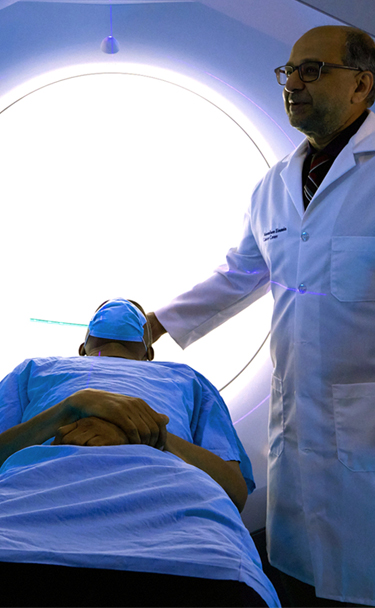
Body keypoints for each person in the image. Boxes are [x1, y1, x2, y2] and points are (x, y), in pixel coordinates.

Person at [147, 25, 375, 608]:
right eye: (289, 71)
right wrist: (154, 323)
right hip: (298, 414)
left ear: (362, 85)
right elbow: (242, 274)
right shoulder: (274, 184)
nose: (293, 83)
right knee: (300, 580)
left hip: (366, 413)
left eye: (313, 70)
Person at [0, 298, 280, 608]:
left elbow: (233, 489)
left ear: (150, 354)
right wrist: (71, 407)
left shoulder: (187, 378)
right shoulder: (34, 369)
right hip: (20, 529)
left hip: (193, 551)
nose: (119, 305)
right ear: (80, 349)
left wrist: (148, 432)